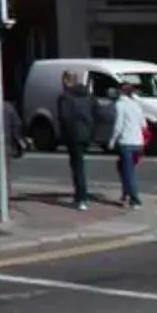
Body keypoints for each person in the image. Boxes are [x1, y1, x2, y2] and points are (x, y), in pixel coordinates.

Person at [56, 69, 99, 210]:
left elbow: (64, 118)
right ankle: (80, 196)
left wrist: (62, 136)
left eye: (63, 80)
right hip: (87, 134)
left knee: (77, 166)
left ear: (67, 81)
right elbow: (96, 113)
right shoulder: (88, 96)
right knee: (78, 164)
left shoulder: (65, 97)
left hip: (73, 135)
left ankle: (81, 197)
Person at [107, 74, 149, 207]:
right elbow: (144, 125)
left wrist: (112, 140)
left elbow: (118, 125)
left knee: (128, 171)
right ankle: (126, 193)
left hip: (126, 142)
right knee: (123, 168)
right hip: (138, 143)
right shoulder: (137, 105)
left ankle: (135, 199)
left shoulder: (120, 105)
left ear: (120, 91)